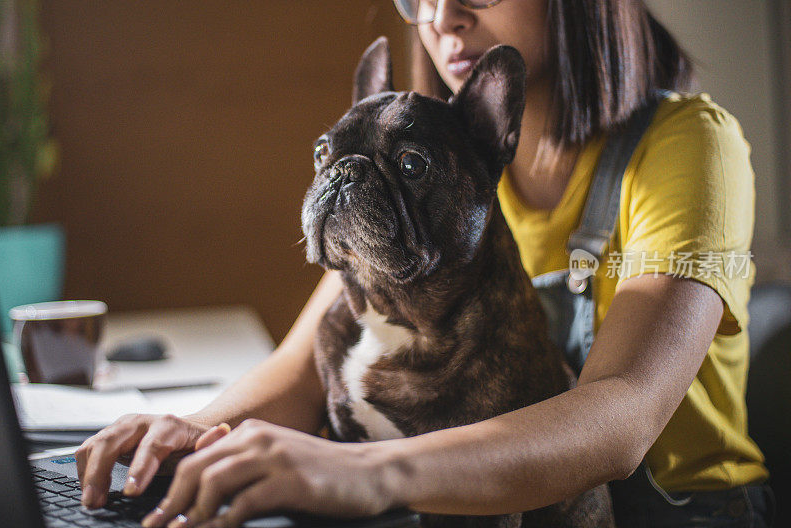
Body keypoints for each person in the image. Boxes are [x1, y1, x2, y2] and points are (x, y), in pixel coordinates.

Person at [75, 1, 775, 527]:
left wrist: (364, 471)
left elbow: (623, 415)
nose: (443, 17)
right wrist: (189, 438)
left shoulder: (688, 147)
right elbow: (299, 375)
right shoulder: (419, 176)